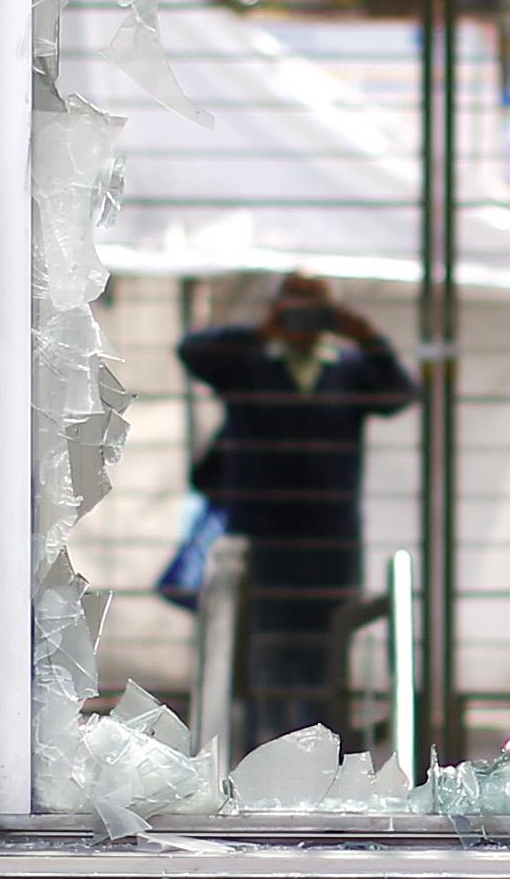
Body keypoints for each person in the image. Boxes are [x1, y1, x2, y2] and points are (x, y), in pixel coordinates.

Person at [176, 272, 416, 747]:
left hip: (331, 536)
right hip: (263, 535)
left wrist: (368, 337)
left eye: (314, 309)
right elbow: (192, 351)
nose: (303, 320)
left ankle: (323, 748)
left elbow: (399, 394)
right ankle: (266, 749)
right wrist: (262, 331)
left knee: (327, 651)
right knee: (266, 651)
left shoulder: (348, 368)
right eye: (294, 307)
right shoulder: (247, 362)